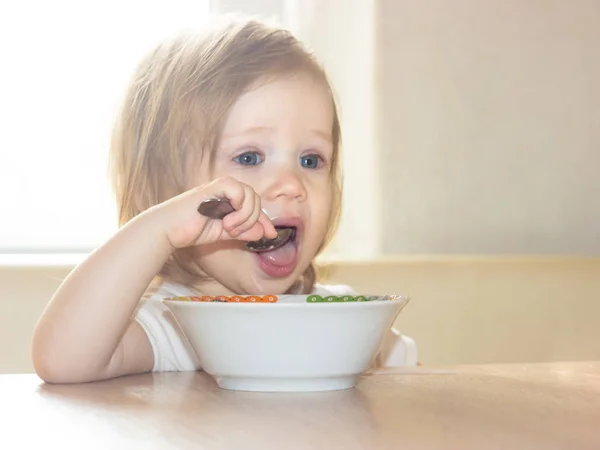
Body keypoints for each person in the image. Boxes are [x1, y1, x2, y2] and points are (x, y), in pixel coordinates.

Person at [32, 16, 417, 383]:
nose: (290, 184)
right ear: (166, 197)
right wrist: (158, 228)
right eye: (249, 157)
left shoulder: (348, 321)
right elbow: (62, 362)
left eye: (311, 159)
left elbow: (417, 397)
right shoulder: (177, 326)